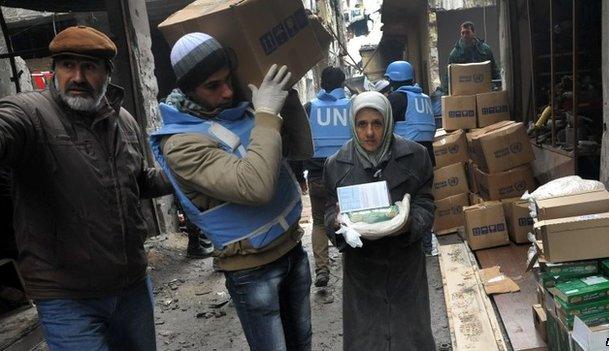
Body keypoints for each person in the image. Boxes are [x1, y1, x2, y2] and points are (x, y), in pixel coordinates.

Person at [0, 26, 172, 350]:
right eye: (67, 65)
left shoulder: (124, 121)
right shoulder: (30, 113)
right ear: (54, 70)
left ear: (108, 73)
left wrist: (177, 179)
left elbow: (134, 183)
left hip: (132, 288)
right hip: (67, 299)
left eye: (89, 67)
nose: (76, 76)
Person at [150, 32, 314, 351]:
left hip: (291, 249)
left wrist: (287, 99)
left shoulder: (240, 112)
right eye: (213, 86)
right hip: (252, 270)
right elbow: (256, 186)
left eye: (228, 80)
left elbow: (300, 150)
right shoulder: (180, 144)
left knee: (302, 344)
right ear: (187, 89)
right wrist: (266, 115)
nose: (226, 91)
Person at [323, 91, 436, 351]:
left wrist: (409, 223)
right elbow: (329, 211)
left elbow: (426, 203)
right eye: (362, 124)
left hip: (405, 264)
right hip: (362, 267)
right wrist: (337, 224)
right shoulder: (336, 166)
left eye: (377, 123)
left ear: (388, 122)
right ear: (353, 124)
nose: (370, 133)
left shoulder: (416, 156)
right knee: (366, 338)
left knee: (411, 336)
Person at [292, 66, 350, 287]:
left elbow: (298, 144)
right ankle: (353, 265)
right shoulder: (352, 106)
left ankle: (322, 270)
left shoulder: (310, 108)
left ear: (320, 83)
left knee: (318, 221)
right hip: (347, 174)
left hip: (317, 176)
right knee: (349, 218)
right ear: (342, 84)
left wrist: (299, 178)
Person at [385, 60, 436, 254]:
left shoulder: (397, 98)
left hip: (406, 157)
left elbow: (384, 123)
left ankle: (407, 243)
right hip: (428, 157)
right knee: (424, 199)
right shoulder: (423, 97)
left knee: (403, 200)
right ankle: (427, 245)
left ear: (393, 80)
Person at [442, 20, 501, 94]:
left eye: (467, 32)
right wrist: (446, 94)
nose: (464, 35)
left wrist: (499, 86)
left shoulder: (485, 50)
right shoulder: (455, 54)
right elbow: (448, 76)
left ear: (473, 33)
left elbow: (494, 69)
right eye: (462, 33)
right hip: (464, 92)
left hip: (483, 90)